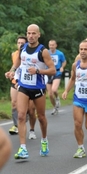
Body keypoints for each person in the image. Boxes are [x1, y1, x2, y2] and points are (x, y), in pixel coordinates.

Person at [5, 24, 56, 159]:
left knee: (41, 117)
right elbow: (18, 63)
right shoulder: (23, 48)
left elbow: (52, 70)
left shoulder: (42, 51)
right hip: (23, 86)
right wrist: (11, 72)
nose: (31, 36)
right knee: (21, 116)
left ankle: (44, 140)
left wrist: (38, 71)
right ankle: (23, 149)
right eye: (29, 33)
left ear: (38, 35)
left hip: (38, 88)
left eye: (34, 33)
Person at [7, 36, 27, 135]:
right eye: (18, 43)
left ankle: (25, 119)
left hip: (25, 82)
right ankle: (16, 125)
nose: (20, 45)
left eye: (22, 43)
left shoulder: (29, 54)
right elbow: (14, 66)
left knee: (27, 107)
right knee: (14, 102)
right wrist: (10, 73)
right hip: (15, 81)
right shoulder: (14, 54)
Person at [47, 39, 67, 115]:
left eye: (53, 45)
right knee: (50, 94)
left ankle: (58, 98)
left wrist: (62, 67)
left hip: (57, 72)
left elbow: (64, 61)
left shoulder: (60, 53)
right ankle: (55, 107)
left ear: (56, 45)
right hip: (48, 72)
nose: (51, 46)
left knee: (54, 89)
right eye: (50, 45)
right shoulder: (46, 53)